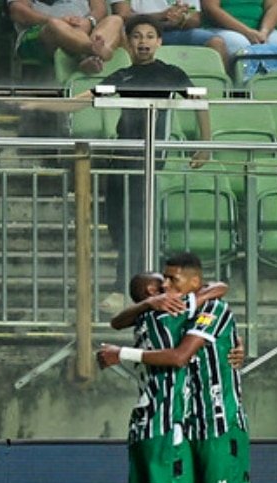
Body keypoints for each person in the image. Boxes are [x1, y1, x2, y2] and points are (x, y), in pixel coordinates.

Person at [98, 253, 265, 483]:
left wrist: (120, 351)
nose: (167, 286)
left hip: (219, 425)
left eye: (172, 280)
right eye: (162, 283)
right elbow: (131, 321)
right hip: (182, 425)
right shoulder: (170, 313)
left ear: (191, 283)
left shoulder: (209, 309)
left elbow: (180, 353)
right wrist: (156, 301)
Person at [74, 15, 212, 299]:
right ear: (127, 42)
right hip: (120, 159)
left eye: (150, 36)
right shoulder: (123, 76)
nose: (143, 42)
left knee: (135, 223)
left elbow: (199, 102)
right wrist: (37, 105)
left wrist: (205, 144)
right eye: (137, 36)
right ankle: (140, 280)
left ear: (159, 42)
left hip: (147, 159)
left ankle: (123, 288)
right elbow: (84, 100)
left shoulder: (170, 73)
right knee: (116, 221)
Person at [6, 0, 124, 75]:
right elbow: (18, 11)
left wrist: (89, 21)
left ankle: (93, 55)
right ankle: (92, 52)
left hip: (86, 27)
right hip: (41, 31)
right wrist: (60, 21)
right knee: (55, 25)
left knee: (115, 20)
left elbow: (100, 9)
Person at [111, 0, 230, 67]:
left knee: (216, 42)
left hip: (177, 31)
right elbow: (123, 16)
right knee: (127, 35)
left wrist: (182, 18)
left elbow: (195, 19)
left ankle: (219, 95)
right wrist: (161, 16)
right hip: (140, 32)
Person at [200, 0, 277, 59]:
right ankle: (238, 83)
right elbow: (210, 8)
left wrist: (264, 31)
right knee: (240, 45)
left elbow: (273, 6)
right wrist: (247, 32)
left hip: (259, 29)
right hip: (223, 28)